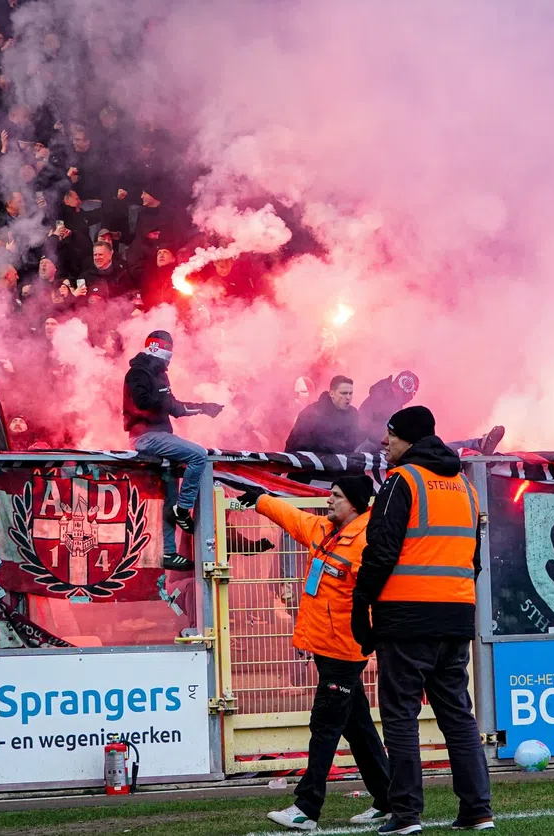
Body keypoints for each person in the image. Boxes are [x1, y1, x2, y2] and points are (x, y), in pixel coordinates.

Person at [351, 406, 491, 833]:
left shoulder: (401, 481)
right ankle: (477, 810)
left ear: (407, 439)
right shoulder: (466, 487)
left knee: (400, 715)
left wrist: (361, 606)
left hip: (406, 616)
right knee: (457, 715)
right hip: (455, 616)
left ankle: (406, 813)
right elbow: (474, 559)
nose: (384, 442)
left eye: (389, 434)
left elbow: (381, 550)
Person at [235, 475, 391, 831]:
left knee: (324, 726)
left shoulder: (369, 539)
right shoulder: (324, 529)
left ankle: (307, 807)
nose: (328, 501)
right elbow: (290, 516)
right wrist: (260, 499)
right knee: (358, 728)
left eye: (336, 496)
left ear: (354, 502)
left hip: (345, 649)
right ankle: (388, 799)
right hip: (326, 647)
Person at [123, 330, 223, 570]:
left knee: (169, 488)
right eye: (169, 353)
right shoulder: (138, 373)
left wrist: (203, 408)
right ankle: (184, 508)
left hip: (159, 436)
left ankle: (168, 552)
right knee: (198, 455)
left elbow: (174, 407)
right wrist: (164, 396)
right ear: (159, 349)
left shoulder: (159, 376)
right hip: (145, 437)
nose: (170, 360)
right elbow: (144, 401)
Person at [283, 375, 364, 455]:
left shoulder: (353, 414)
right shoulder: (311, 414)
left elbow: (356, 443)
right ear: (332, 393)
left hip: (343, 466)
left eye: (350, 393)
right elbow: (294, 445)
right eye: (344, 393)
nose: (348, 397)